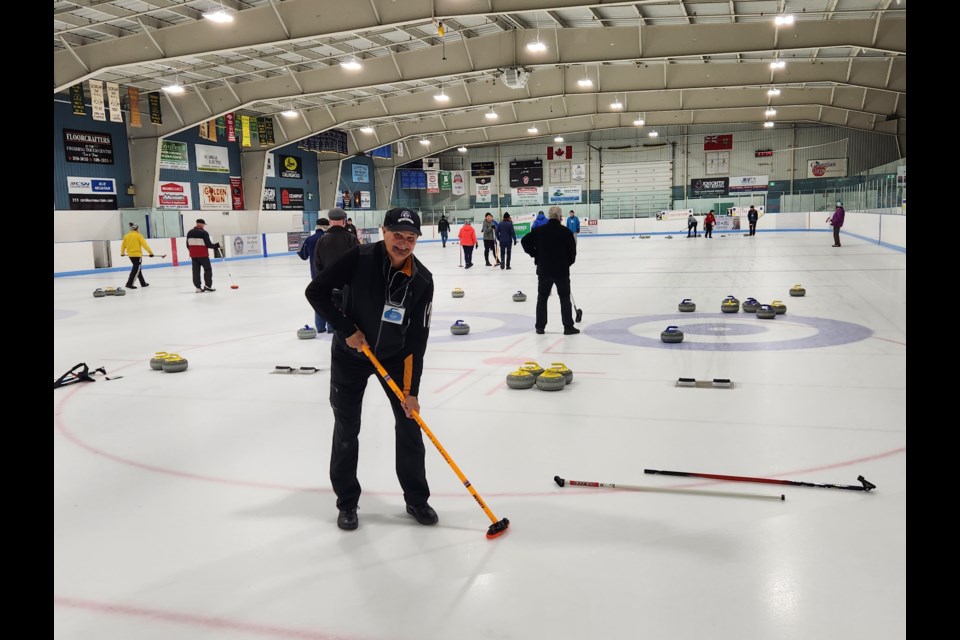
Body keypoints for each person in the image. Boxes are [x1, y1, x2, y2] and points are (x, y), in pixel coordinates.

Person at [304, 207, 436, 532]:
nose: (403, 244)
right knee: (347, 429)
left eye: (411, 238)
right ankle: (347, 502)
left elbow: (417, 339)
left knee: (409, 424)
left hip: (393, 357)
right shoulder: (359, 258)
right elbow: (316, 292)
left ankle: (416, 498)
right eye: (397, 235)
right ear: (384, 231)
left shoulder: (421, 280)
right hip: (351, 355)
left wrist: (412, 391)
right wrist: (346, 329)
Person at [520, 206, 578, 335]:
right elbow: (573, 254)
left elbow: (524, 241)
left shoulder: (540, 231)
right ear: (559, 216)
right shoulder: (566, 232)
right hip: (561, 271)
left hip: (544, 270)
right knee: (564, 298)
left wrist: (535, 254)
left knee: (542, 298)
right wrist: (566, 263)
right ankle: (568, 327)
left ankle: (540, 327)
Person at [313, 207, 360, 332]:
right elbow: (359, 261)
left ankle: (329, 329)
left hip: (328, 284)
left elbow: (317, 264)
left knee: (331, 309)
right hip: (348, 285)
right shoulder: (351, 238)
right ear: (344, 221)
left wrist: (323, 280)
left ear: (330, 221)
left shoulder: (321, 240)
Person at [298, 219, 328, 331]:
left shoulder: (310, 239)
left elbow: (303, 255)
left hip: (315, 274)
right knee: (331, 300)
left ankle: (320, 327)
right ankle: (331, 327)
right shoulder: (328, 238)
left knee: (319, 299)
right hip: (329, 274)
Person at [186, 219, 220, 292]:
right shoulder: (204, 232)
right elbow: (208, 245)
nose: (204, 226)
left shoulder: (189, 232)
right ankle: (208, 286)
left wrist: (192, 251)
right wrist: (215, 246)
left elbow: (187, 245)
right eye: (204, 224)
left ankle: (198, 288)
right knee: (207, 270)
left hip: (193, 256)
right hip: (203, 255)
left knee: (195, 271)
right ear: (201, 224)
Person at [119, 222, 153, 289]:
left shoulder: (126, 236)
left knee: (137, 269)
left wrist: (122, 253)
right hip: (137, 255)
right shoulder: (138, 235)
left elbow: (123, 246)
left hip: (130, 255)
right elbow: (144, 245)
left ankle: (143, 283)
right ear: (137, 229)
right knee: (136, 269)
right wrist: (150, 253)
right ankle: (129, 283)